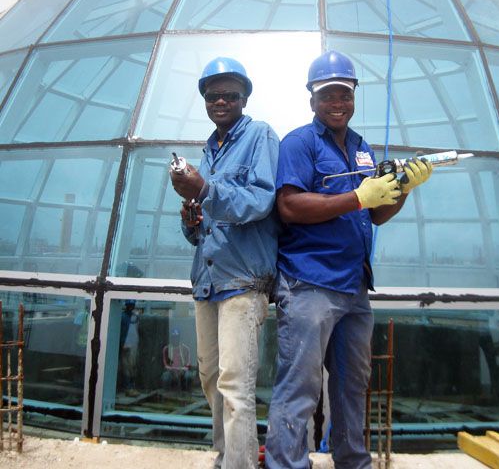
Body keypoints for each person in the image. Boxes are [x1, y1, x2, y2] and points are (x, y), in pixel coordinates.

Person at [265, 51, 433, 469]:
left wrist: (403, 189)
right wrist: (358, 195)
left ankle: (353, 462)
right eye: (328, 95)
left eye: (345, 94)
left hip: (354, 289)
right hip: (310, 284)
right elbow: (289, 205)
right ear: (312, 100)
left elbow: (375, 214)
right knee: (299, 386)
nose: (337, 102)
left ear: (354, 96)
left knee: (352, 385)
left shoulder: (361, 148)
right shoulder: (299, 143)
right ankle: (286, 464)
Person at [170, 57, 279, 469]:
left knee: (235, 385)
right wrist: (191, 217)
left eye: (230, 95)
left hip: (243, 279)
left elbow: (262, 200)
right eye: (213, 95)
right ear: (205, 101)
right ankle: (225, 458)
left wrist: (206, 188)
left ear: (244, 98)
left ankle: (239, 465)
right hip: (208, 278)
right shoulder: (209, 149)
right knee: (210, 377)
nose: (221, 101)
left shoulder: (260, 137)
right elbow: (201, 231)